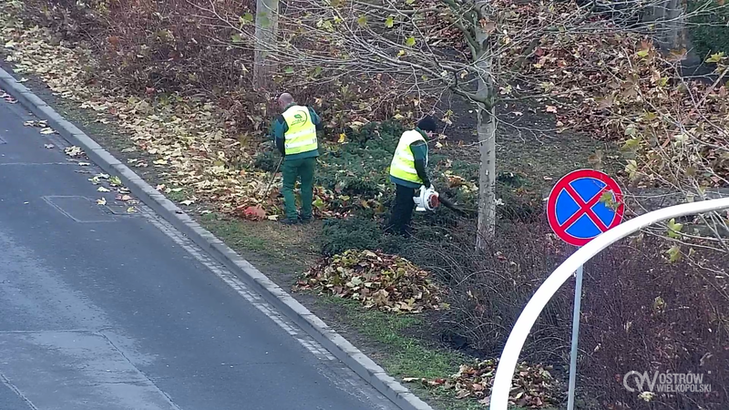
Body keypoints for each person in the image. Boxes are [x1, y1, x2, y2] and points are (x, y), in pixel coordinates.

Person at [270, 93, 323, 225]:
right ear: (293, 100)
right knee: (307, 185)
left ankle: (292, 216)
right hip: (310, 154)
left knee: (288, 187)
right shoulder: (308, 111)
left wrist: (284, 153)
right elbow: (319, 124)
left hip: (293, 157)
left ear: (281, 103)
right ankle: (306, 215)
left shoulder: (282, 119)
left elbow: (279, 140)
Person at [386, 115, 437, 236]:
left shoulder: (408, 134)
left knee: (401, 203)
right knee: (405, 206)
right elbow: (419, 164)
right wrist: (426, 182)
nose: (431, 136)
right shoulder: (419, 141)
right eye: (431, 133)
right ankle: (398, 231)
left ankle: (396, 229)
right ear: (426, 130)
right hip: (407, 177)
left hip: (398, 174)